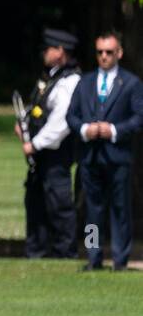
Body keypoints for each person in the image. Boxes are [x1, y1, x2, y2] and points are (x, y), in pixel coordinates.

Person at [66, 31, 143, 270]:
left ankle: (120, 259)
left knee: (120, 210)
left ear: (119, 53)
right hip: (91, 156)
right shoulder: (85, 82)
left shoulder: (131, 83)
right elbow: (72, 115)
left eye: (109, 52)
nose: (104, 56)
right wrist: (84, 129)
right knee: (92, 211)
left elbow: (138, 118)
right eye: (100, 52)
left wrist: (114, 130)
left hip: (118, 157)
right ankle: (94, 257)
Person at [17, 28, 81, 259]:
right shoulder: (50, 78)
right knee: (35, 202)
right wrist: (23, 125)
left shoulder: (69, 81)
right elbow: (38, 108)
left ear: (60, 52)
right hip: (41, 154)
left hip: (55, 154)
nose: (44, 52)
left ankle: (65, 252)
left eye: (48, 48)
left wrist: (34, 144)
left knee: (58, 203)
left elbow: (60, 123)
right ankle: (37, 250)